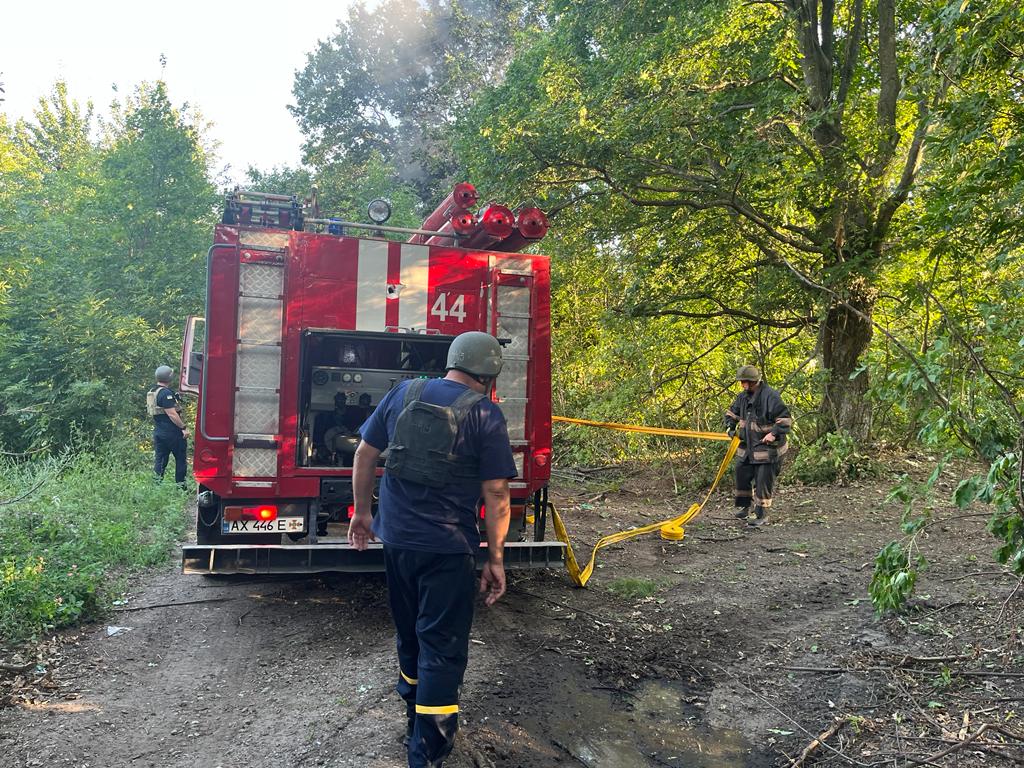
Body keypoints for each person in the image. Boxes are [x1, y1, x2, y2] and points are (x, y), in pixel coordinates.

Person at [348, 332, 516, 768]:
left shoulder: (405, 392)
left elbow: (365, 453)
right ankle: (428, 753)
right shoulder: (485, 414)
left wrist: (362, 514)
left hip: (396, 540)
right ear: (489, 372)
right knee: (441, 645)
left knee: (409, 634)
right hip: (448, 548)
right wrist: (496, 558)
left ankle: (412, 714)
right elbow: (497, 495)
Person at [724, 365, 792, 526]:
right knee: (742, 474)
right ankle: (744, 508)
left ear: (754, 381)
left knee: (763, 480)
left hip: (766, 449)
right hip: (747, 448)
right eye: (741, 382)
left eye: (745, 382)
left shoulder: (771, 397)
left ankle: (762, 513)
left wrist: (773, 433)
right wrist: (730, 427)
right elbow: (731, 414)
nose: (742, 385)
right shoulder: (742, 397)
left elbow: (785, 420)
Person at [148, 365, 188, 486]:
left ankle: (156, 486)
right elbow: (172, 414)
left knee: (160, 460)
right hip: (172, 432)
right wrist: (183, 428)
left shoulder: (153, 391)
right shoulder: (165, 393)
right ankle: (181, 487)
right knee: (180, 459)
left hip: (159, 431)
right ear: (169, 377)